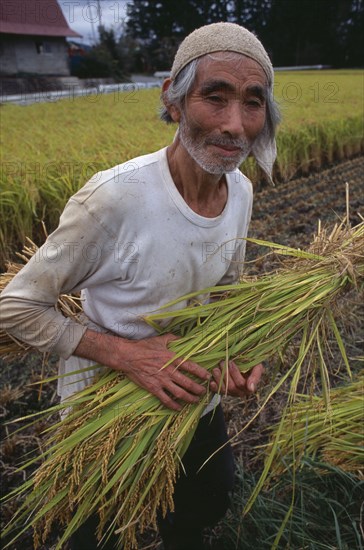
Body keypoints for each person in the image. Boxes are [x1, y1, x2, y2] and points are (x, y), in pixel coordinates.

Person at [0, 22, 279, 550]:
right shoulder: (113, 200)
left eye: (252, 102)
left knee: (204, 502)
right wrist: (130, 356)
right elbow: (14, 307)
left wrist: (231, 354)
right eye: (214, 98)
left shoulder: (240, 190)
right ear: (172, 101)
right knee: (91, 531)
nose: (235, 126)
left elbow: (224, 291)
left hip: (191, 392)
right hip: (105, 408)